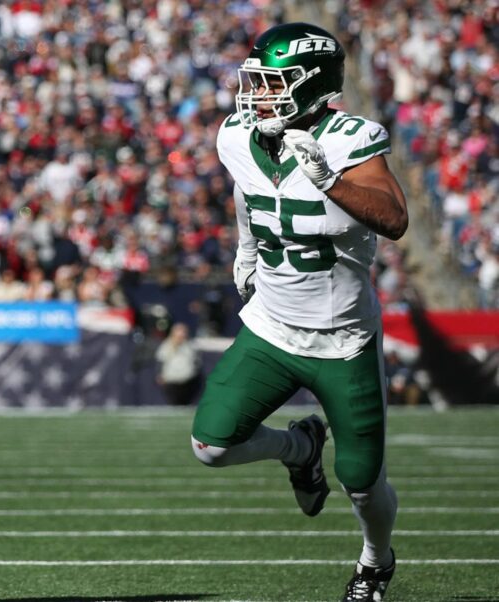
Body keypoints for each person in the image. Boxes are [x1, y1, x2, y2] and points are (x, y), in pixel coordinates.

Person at [189, 24, 408, 602]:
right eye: (256, 82)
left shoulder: (351, 139)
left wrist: (330, 182)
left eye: (273, 83)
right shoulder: (237, 133)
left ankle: (374, 562)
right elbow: (246, 189)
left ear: (313, 87)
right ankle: (300, 448)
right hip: (272, 324)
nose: (258, 95)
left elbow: (394, 218)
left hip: (342, 338)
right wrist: (245, 248)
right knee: (210, 445)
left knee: (362, 483)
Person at [154, 322, 200, 406]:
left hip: (187, 382)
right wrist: (159, 375)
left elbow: (196, 362)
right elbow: (160, 361)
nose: (181, 335)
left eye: (183, 332)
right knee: (174, 406)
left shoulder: (190, 346)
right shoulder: (166, 346)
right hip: (171, 382)